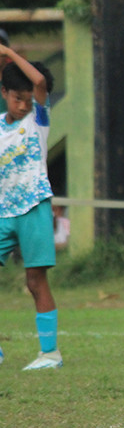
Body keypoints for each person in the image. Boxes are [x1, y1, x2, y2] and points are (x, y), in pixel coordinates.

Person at [0, 42, 62, 370]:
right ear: (4, 92)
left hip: (33, 206)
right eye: (16, 98)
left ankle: (50, 354)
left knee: (35, 280)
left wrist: (9, 54)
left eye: (27, 100)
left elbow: (37, 82)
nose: (23, 105)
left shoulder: (37, 121)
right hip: (1, 212)